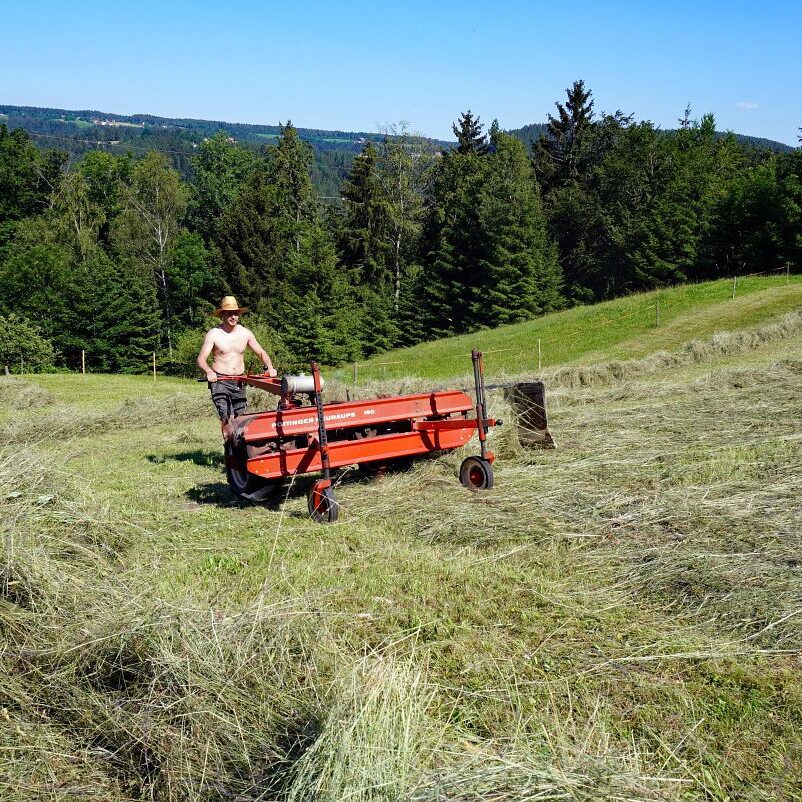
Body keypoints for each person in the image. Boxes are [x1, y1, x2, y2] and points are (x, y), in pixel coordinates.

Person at [197, 296, 278, 423]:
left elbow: (260, 352)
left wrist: (270, 366)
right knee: (226, 416)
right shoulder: (214, 334)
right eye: (229, 314)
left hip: (239, 380)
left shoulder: (245, 333)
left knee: (241, 416)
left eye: (235, 313)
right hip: (220, 381)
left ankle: (240, 442)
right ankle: (229, 440)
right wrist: (209, 371)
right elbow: (201, 359)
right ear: (222, 315)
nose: (233, 317)